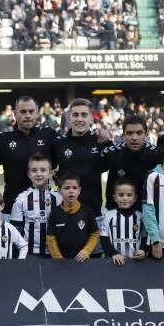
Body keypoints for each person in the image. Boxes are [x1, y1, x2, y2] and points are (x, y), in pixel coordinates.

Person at [0, 95, 57, 212]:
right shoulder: (3, 140)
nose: (27, 115)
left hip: (43, 209)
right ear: (15, 113)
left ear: (37, 113)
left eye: (31, 111)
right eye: (23, 112)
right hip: (12, 208)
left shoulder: (49, 135)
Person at [52, 98, 112, 230]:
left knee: (95, 251)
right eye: (75, 115)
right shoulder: (58, 144)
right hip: (65, 213)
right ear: (69, 118)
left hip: (94, 214)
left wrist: (107, 135)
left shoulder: (101, 142)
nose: (79, 119)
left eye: (84, 115)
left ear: (91, 118)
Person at [102, 115, 159, 210]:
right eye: (129, 133)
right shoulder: (112, 153)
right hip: (115, 215)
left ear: (146, 134)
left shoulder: (156, 154)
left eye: (139, 133)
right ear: (123, 135)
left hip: (146, 216)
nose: (134, 137)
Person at [11, 153, 61, 257]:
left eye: (43, 170)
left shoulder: (59, 198)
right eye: (34, 170)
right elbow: (15, 230)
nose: (38, 174)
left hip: (55, 253)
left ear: (50, 173)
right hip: (29, 254)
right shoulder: (21, 199)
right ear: (29, 174)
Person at [47, 174, 100, 262]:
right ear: (59, 191)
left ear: (79, 190)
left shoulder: (87, 211)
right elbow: (50, 237)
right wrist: (58, 259)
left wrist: (86, 251)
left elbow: (94, 234)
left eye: (74, 188)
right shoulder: (55, 213)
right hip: (62, 263)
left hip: (82, 262)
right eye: (67, 188)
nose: (71, 191)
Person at [100, 180, 145, 266]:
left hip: (136, 262)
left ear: (135, 198)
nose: (125, 198)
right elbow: (104, 239)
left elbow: (144, 237)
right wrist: (113, 254)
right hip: (113, 262)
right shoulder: (108, 215)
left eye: (129, 195)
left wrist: (143, 250)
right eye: (121, 195)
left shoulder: (141, 216)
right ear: (115, 198)